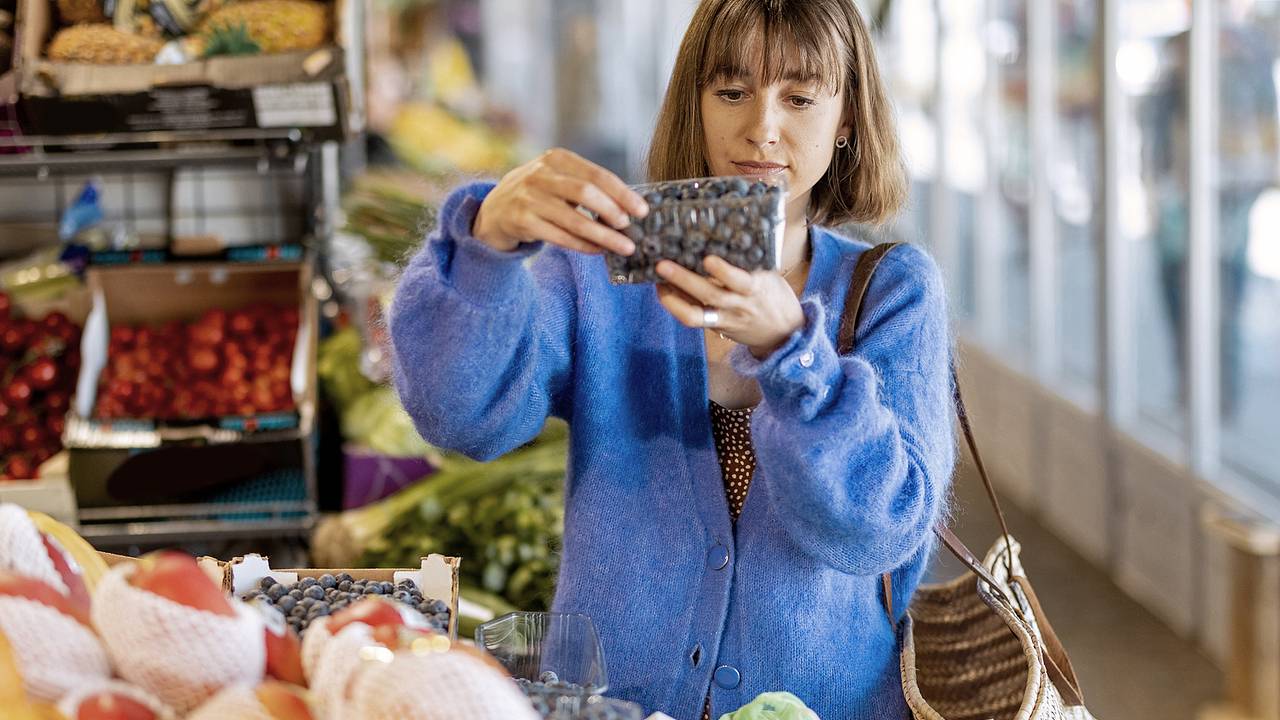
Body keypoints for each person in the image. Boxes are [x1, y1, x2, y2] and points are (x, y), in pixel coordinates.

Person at [389, 1, 955, 718]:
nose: (762, 127)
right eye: (731, 91)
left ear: (847, 120)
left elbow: (881, 531)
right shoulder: (601, 271)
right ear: (696, 102)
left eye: (801, 97)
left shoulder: (893, 290)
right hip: (614, 704)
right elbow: (461, 418)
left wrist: (792, 351)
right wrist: (483, 245)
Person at [1144, 0, 1278, 419]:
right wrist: (1157, 180)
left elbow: (1266, 127)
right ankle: (1190, 384)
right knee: (1174, 289)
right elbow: (1155, 121)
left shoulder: (1252, 53)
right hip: (1178, 201)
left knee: (1226, 297)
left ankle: (1222, 395)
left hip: (1230, 198)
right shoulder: (1177, 51)